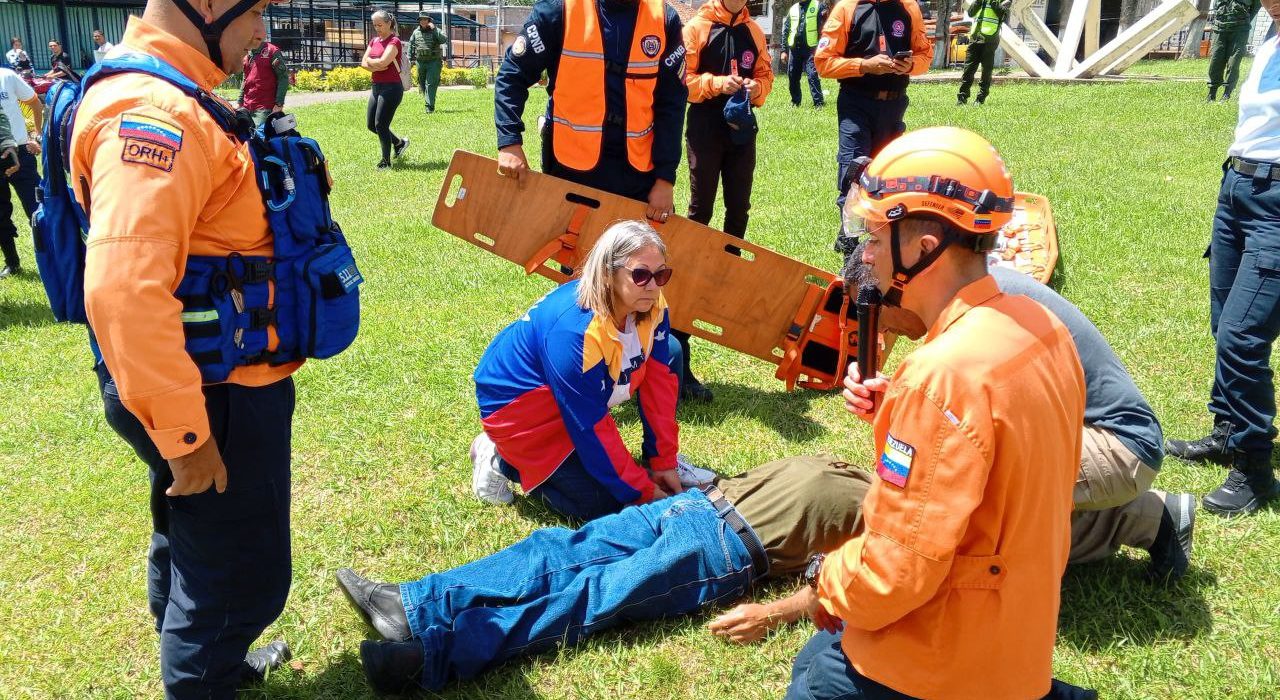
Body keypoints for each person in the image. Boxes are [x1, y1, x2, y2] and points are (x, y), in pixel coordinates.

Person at [71, 0, 321, 695]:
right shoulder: (155, 114)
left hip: (201, 382)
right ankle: (202, 675)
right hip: (212, 394)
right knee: (239, 572)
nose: (260, 31)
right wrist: (187, 437)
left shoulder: (172, 94)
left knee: (198, 536)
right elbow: (122, 289)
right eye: (255, 11)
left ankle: (212, 663)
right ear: (209, 5)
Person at [788, 127, 1086, 699]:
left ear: (924, 247)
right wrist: (900, 410)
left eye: (876, 235)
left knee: (814, 676)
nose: (864, 252)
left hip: (942, 663)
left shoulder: (941, 376)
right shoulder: (1041, 327)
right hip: (1016, 641)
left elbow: (893, 574)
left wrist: (826, 578)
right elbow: (997, 467)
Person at [339, 453, 873, 694]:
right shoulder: (874, 469)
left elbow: (853, 582)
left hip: (726, 550)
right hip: (693, 505)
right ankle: (411, 605)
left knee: (592, 594)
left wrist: (774, 613)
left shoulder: (894, 522)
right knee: (552, 550)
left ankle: (431, 659)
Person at [855, 248, 1196, 583]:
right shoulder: (967, 289)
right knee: (978, 503)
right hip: (1094, 433)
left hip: (1117, 443)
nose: (880, 328)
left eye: (875, 308)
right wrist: (896, 405)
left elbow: (961, 432)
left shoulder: (979, 312)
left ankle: (1129, 520)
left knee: (968, 505)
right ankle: (1151, 519)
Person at [470, 220, 703, 521]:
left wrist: (663, 461)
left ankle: (645, 465)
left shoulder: (652, 302)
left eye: (661, 274)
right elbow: (590, 427)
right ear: (607, 274)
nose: (654, 286)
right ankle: (502, 457)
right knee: (604, 504)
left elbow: (660, 384)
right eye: (641, 275)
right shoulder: (574, 333)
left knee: (670, 352)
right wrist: (641, 491)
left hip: (568, 394)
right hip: (520, 409)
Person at [1165, 0, 1280, 517]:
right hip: (1236, 187)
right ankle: (1228, 431)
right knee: (1223, 320)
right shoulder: (1269, 37)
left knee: (1242, 335)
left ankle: (1254, 468)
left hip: (1275, 204)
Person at [493, 0, 688, 221]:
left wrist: (665, 179)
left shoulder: (664, 19)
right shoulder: (559, 9)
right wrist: (509, 143)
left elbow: (672, 104)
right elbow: (512, 75)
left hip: (636, 175)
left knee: (632, 244)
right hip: (570, 169)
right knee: (570, 241)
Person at [676, 0, 773, 402]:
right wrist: (717, 84)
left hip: (741, 127)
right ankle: (691, 268)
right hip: (705, 126)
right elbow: (683, 81)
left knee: (740, 207)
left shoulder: (754, 30)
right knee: (700, 208)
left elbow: (766, 77)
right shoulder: (697, 28)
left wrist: (755, 88)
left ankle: (729, 269)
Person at [816, 0, 932, 260]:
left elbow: (925, 56)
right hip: (856, 103)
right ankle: (850, 258)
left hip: (894, 105)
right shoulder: (848, 8)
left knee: (886, 178)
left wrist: (910, 65)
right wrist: (864, 65)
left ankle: (877, 247)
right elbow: (823, 62)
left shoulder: (908, 7)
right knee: (854, 173)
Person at [0, 63, 43, 280]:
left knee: (38, 208)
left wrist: (36, 135)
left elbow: (35, 102)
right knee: (0, 214)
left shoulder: (6, 76)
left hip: (21, 152)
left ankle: (52, 258)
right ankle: (12, 262)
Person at [360, 10, 410, 170]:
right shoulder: (374, 41)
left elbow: (383, 62)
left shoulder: (394, 41)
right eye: (375, 25)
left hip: (392, 87)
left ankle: (385, 162)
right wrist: (375, 64)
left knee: (381, 125)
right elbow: (363, 63)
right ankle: (399, 143)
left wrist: (372, 62)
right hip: (376, 86)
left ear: (389, 23)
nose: (377, 28)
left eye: (380, 25)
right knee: (371, 125)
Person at [956, 0, 1010, 105]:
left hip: (990, 39)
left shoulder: (1004, 1)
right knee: (968, 69)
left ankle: (980, 98)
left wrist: (993, 1)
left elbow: (1003, 15)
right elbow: (971, 13)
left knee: (986, 71)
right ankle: (962, 97)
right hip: (975, 37)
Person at [1206, 0, 1261, 101]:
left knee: (1233, 62)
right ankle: (1212, 93)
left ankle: (1227, 93)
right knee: (1215, 60)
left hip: (1240, 30)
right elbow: (1216, 6)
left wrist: (1244, 20)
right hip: (1219, 29)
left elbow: (1256, 7)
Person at [780, 0, 828, 107]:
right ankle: (795, 102)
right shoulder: (793, 9)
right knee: (792, 76)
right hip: (794, 49)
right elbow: (786, 30)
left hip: (811, 48)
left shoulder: (818, 6)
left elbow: (824, 28)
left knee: (812, 75)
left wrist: (822, 48)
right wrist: (783, 51)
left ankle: (819, 103)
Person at [238, 39, 288, 126]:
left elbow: (283, 78)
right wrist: (240, 101)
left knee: (260, 133)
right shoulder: (247, 52)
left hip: (264, 108)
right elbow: (245, 79)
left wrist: (279, 104)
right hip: (246, 106)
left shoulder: (272, 51)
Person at [407, 13, 449, 113]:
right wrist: (409, 57)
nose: (423, 21)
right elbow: (411, 44)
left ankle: (429, 107)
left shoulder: (435, 30)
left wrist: (434, 29)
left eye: (425, 19)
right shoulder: (416, 32)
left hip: (433, 62)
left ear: (429, 21)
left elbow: (443, 39)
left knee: (430, 83)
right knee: (422, 83)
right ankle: (429, 99)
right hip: (420, 61)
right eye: (421, 19)